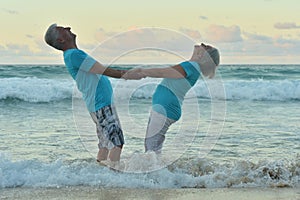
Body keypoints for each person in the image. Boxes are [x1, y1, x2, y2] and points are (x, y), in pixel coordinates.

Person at [44, 24, 145, 163]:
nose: (68, 28)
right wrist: (127, 75)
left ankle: (100, 174)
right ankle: (113, 175)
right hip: (101, 103)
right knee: (117, 142)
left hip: (97, 104)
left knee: (105, 144)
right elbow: (102, 70)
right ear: (61, 39)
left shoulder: (72, 55)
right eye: (63, 29)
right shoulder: (74, 55)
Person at [124, 43, 220, 153]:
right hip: (165, 108)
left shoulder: (192, 66)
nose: (202, 44)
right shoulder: (192, 67)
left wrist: (141, 71)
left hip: (165, 108)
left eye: (206, 47)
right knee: (152, 147)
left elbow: (164, 72)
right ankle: (158, 169)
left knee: (151, 148)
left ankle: (156, 170)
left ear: (203, 56)